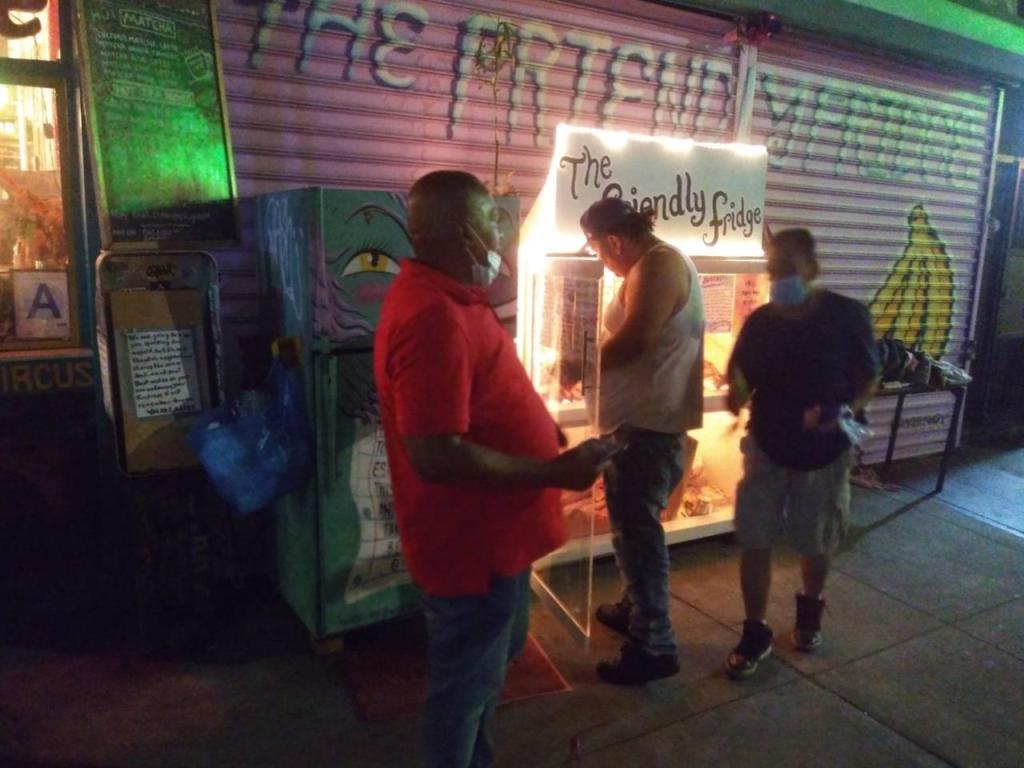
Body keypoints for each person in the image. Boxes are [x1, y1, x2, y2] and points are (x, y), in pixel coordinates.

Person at [374, 170, 612, 768]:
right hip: (471, 547)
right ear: (463, 232)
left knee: (485, 671)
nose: (501, 234)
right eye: (492, 221)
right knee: (463, 689)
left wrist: (542, 433)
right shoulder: (432, 317)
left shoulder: (452, 298)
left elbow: (482, 398)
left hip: (497, 540)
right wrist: (554, 473)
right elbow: (436, 453)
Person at [724, 227, 880, 679]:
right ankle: (755, 630)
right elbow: (740, 375)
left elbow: (869, 377)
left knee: (816, 539)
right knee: (755, 538)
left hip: (823, 452)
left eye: (788, 267)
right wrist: (736, 392)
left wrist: (843, 410)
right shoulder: (761, 322)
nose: (779, 277)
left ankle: (810, 609)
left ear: (812, 268)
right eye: (774, 268)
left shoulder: (845, 315)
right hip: (767, 446)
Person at [580, 197, 705, 685]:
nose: (601, 261)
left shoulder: (657, 265)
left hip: (648, 425)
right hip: (639, 422)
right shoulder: (650, 264)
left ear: (614, 240)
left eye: (598, 250)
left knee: (638, 534)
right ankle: (635, 608)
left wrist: (582, 366)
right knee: (630, 528)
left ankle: (654, 643)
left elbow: (636, 339)